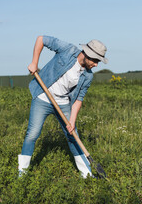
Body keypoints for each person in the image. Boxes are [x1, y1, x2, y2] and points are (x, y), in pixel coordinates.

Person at [18, 35, 108, 178]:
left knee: (73, 136)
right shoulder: (67, 50)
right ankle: (21, 174)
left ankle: (87, 174)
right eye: (96, 60)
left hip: (63, 103)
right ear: (87, 55)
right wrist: (34, 63)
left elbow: (78, 99)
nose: (96, 64)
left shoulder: (88, 76)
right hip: (43, 97)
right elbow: (41, 39)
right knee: (33, 133)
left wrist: (72, 121)